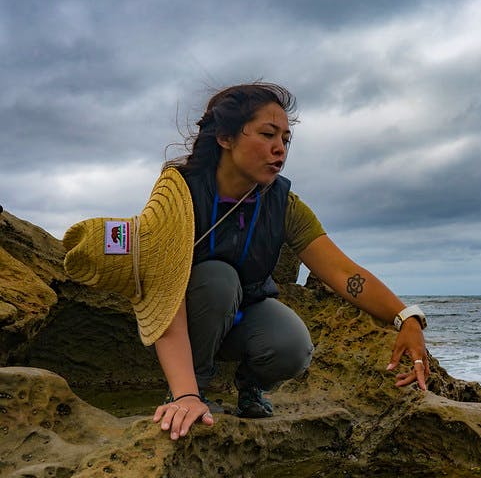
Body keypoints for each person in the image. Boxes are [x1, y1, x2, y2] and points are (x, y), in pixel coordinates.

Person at [64, 82, 429, 441]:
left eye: (285, 140)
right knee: (218, 278)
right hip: (185, 317)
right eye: (268, 134)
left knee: (293, 346)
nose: (280, 150)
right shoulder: (178, 194)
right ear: (225, 137)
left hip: (240, 315)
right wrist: (186, 392)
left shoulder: (282, 204)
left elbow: (342, 271)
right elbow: (165, 297)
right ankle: (192, 390)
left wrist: (406, 317)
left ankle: (251, 387)